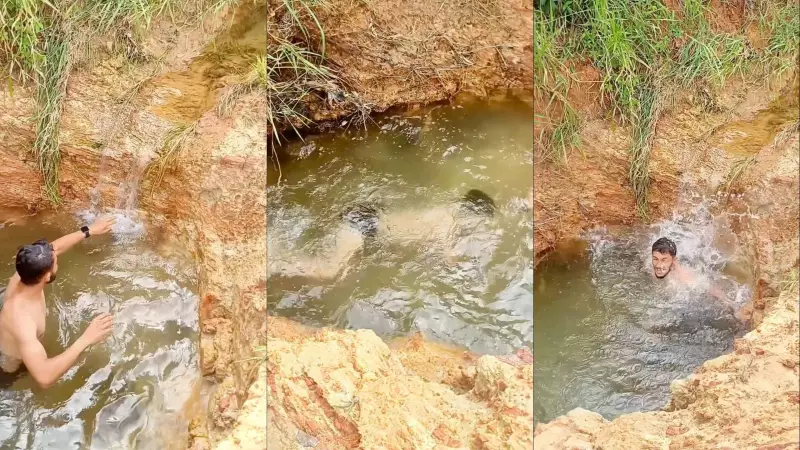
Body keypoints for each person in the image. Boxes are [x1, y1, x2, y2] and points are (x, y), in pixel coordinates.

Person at [0, 216, 116, 389]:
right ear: (47, 276)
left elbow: (56, 248)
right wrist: (86, 339)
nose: (57, 257)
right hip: (10, 369)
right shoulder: (22, 320)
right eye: (55, 261)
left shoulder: (25, 271)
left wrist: (88, 231)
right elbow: (44, 378)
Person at [651, 236, 729, 305]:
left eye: (664, 260)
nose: (658, 265)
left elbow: (709, 288)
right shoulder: (652, 266)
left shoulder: (684, 279)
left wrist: (730, 306)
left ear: (674, 260)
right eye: (655, 259)